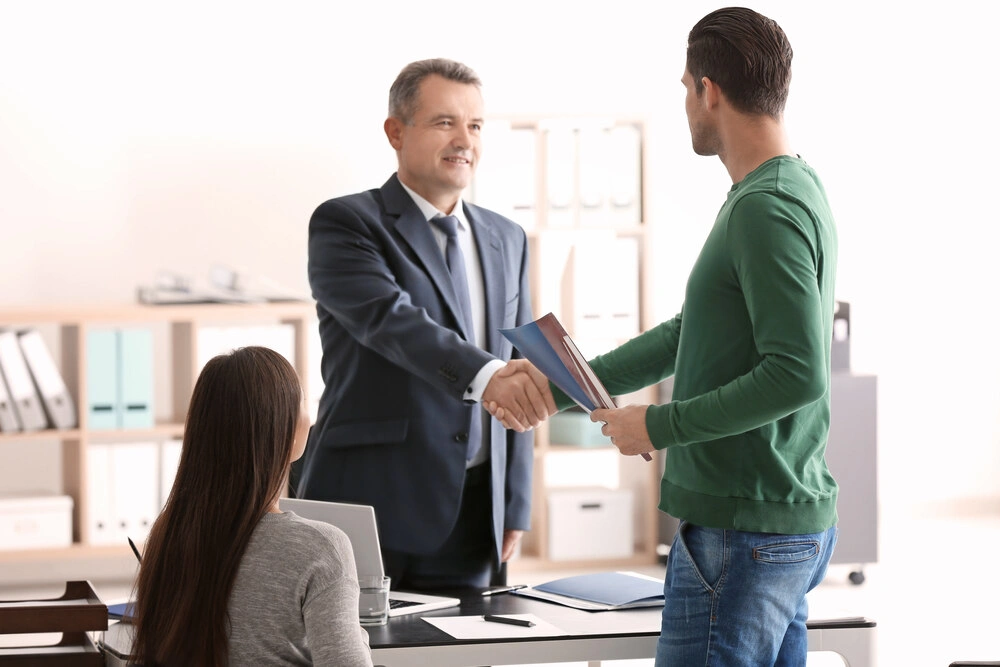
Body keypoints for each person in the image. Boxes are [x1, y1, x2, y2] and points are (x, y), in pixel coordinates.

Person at [492, 7, 839, 666]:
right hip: (766, 524)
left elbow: (798, 372)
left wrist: (658, 424)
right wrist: (558, 385)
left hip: (744, 531)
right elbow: (692, 333)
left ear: (708, 89)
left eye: (686, 88)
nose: (687, 104)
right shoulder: (780, 189)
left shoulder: (766, 206)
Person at [296, 57, 555, 590]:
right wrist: (485, 377)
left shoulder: (507, 238)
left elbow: (522, 366)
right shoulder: (346, 223)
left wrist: (516, 500)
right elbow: (391, 322)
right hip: (373, 505)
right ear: (396, 131)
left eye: (475, 125)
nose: (465, 139)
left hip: (478, 508)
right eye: (445, 122)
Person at [131, 347, 373, 666]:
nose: (310, 416)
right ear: (282, 428)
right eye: (302, 402)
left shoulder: (168, 533)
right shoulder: (322, 547)